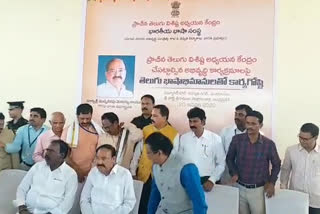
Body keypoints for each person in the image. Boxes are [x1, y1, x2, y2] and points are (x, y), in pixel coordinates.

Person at [226, 110, 281, 214]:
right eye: (247, 123)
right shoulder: (237, 140)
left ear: (260, 125)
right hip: (239, 187)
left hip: (259, 190)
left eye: (253, 124)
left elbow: (277, 164)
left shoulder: (268, 144)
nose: (249, 126)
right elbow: (229, 158)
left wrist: (272, 183)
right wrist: (233, 173)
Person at [130, 104, 180, 214]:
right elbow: (138, 151)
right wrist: (133, 171)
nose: (152, 118)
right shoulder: (146, 130)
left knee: (158, 203)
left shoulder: (174, 133)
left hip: (163, 176)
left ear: (165, 117)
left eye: (155, 116)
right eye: (152, 115)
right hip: (144, 175)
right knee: (142, 204)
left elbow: (174, 157)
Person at [146, 132, 207, 214]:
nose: (147, 157)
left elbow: (199, 201)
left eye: (149, 153)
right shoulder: (155, 166)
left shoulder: (186, 167)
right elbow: (155, 195)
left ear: (159, 152)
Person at [13, 140, 78, 214]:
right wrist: (22, 207)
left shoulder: (70, 174)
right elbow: (22, 188)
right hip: (26, 211)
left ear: (62, 155)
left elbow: (67, 203)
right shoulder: (37, 166)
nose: (47, 153)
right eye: (47, 150)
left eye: (51, 151)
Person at [180, 107, 225, 192]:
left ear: (203, 121)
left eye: (195, 121)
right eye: (190, 121)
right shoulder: (184, 138)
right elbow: (179, 162)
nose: (192, 124)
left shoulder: (215, 139)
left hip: (207, 182)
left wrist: (212, 180)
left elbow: (221, 163)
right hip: (188, 181)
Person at [80, 144, 136, 214]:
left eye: (104, 159)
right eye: (97, 158)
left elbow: (129, 202)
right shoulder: (93, 172)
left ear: (113, 159)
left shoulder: (124, 174)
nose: (99, 162)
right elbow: (84, 199)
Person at [280, 123, 320, 214]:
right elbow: (285, 170)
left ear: (315, 137)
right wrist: (283, 188)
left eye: (305, 139)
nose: (302, 141)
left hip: (316, 199)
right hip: (296, 196)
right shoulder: (291, 150)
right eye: (300, 137)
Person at [61, 103, 104, 181]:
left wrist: (93, 171)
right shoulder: (68, 131)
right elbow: (63, 154)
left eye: (88, 118)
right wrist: (77, 170)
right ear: (77, 116)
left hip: (93, 173)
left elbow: (100, 152)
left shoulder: (98, 130)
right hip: (71, 171)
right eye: (82, 118)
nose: (85, 121)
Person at [220, 104, 252, 184]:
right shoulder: (225, 132)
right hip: (228, 178)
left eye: (240, 115)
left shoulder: (256, 135)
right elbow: (220, 155)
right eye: (236, 114)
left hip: (249, 179)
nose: (236, 117)